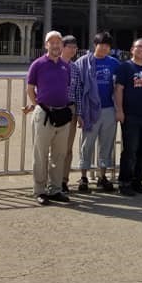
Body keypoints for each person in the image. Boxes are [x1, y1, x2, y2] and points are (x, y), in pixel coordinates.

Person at [25, 31, 73, 205]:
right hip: (44, 113)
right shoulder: (38, 64)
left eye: (58, 42)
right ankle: (39, 190)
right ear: (46, 45)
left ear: (62, 46)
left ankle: (55, 189)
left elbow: (65, 87)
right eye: (51, 42)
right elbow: (30, 88)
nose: (55, 45)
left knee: (59, 154)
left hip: (62, 113)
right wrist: (38, 105)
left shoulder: (65, 66)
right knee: (40, 153)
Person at [76, 31, 120, 192]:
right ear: (95, 45)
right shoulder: (83, 62)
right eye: (102, 45)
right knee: (87, 144)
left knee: (106, 144)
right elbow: (78, 89)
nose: (104, 48)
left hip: (108, 108)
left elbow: (119, 87)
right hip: (90, 110)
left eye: (108, 46)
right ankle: (83, 176)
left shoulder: (114, 64)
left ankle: (102, 176)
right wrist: (79, 113)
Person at [115, 38, 142, 196]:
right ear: (132, 50)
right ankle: (124, 182)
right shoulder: (125, 67)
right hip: (130, 115)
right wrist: (119, 110)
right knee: (130, 150)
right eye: (138, 47)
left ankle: (137, 181)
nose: (141, 50)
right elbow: (119, 89)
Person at [59, 35, 83, 193]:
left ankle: (63, 180)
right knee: (53, 148)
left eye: (75, 47)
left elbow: (78, 91)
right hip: (53, 109)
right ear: (62, 47)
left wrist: (80, 113)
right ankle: (51, 179)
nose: (73, 50)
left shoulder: (75, 68)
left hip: (71, 109)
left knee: (67, 148)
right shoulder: (52, 63)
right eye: (70, 47)